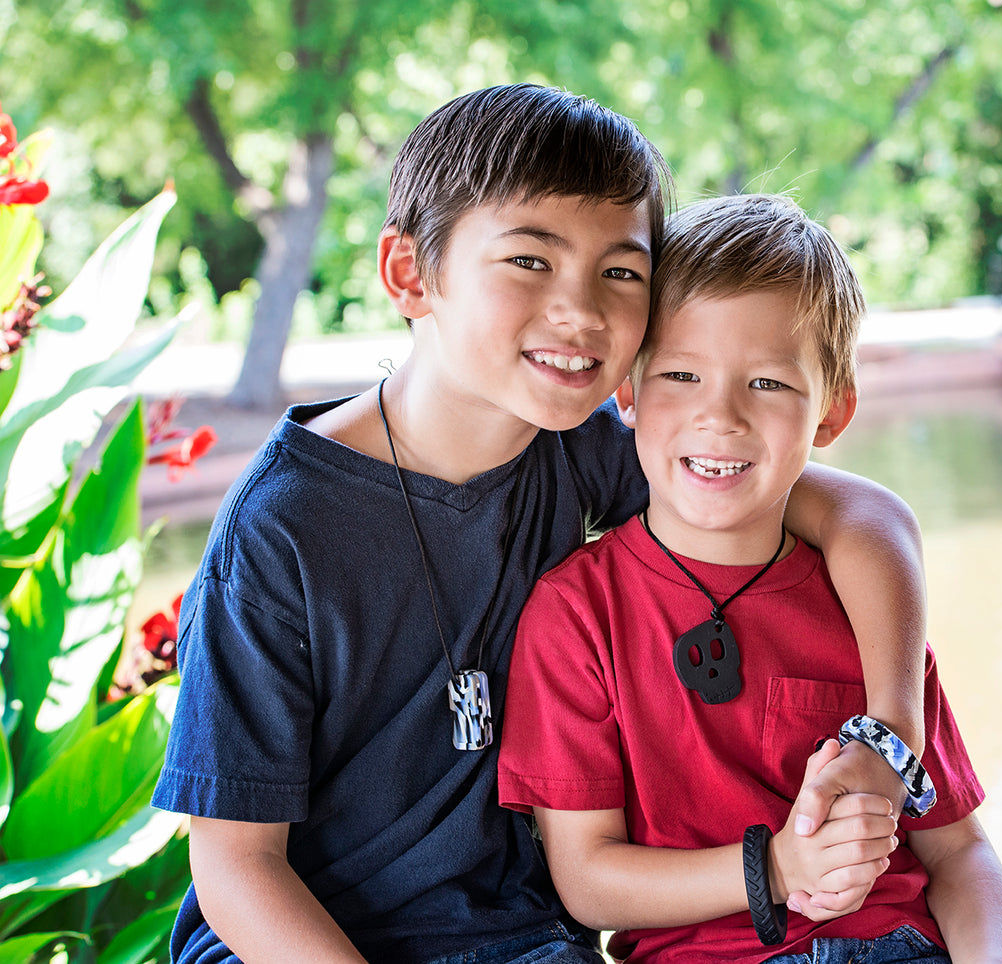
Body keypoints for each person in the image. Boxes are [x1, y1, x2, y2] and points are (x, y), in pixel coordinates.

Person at [151, 86, 933, 964]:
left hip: (518, 939)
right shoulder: (281, 527)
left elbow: (867, 515)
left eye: (621, 273)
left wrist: (889, 734)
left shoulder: (579, 446)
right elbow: (236, 867)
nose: (582, 311)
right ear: (410, 274)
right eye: (529, 260)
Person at [497, 193, 1002, 964]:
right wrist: (776, 866)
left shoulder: (863, 605)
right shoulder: (577, 612)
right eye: (680, 374)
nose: (720, 417)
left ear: (831, 414)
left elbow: (960, 853)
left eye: (767, 384)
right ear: (627, 394)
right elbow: (588, 881)